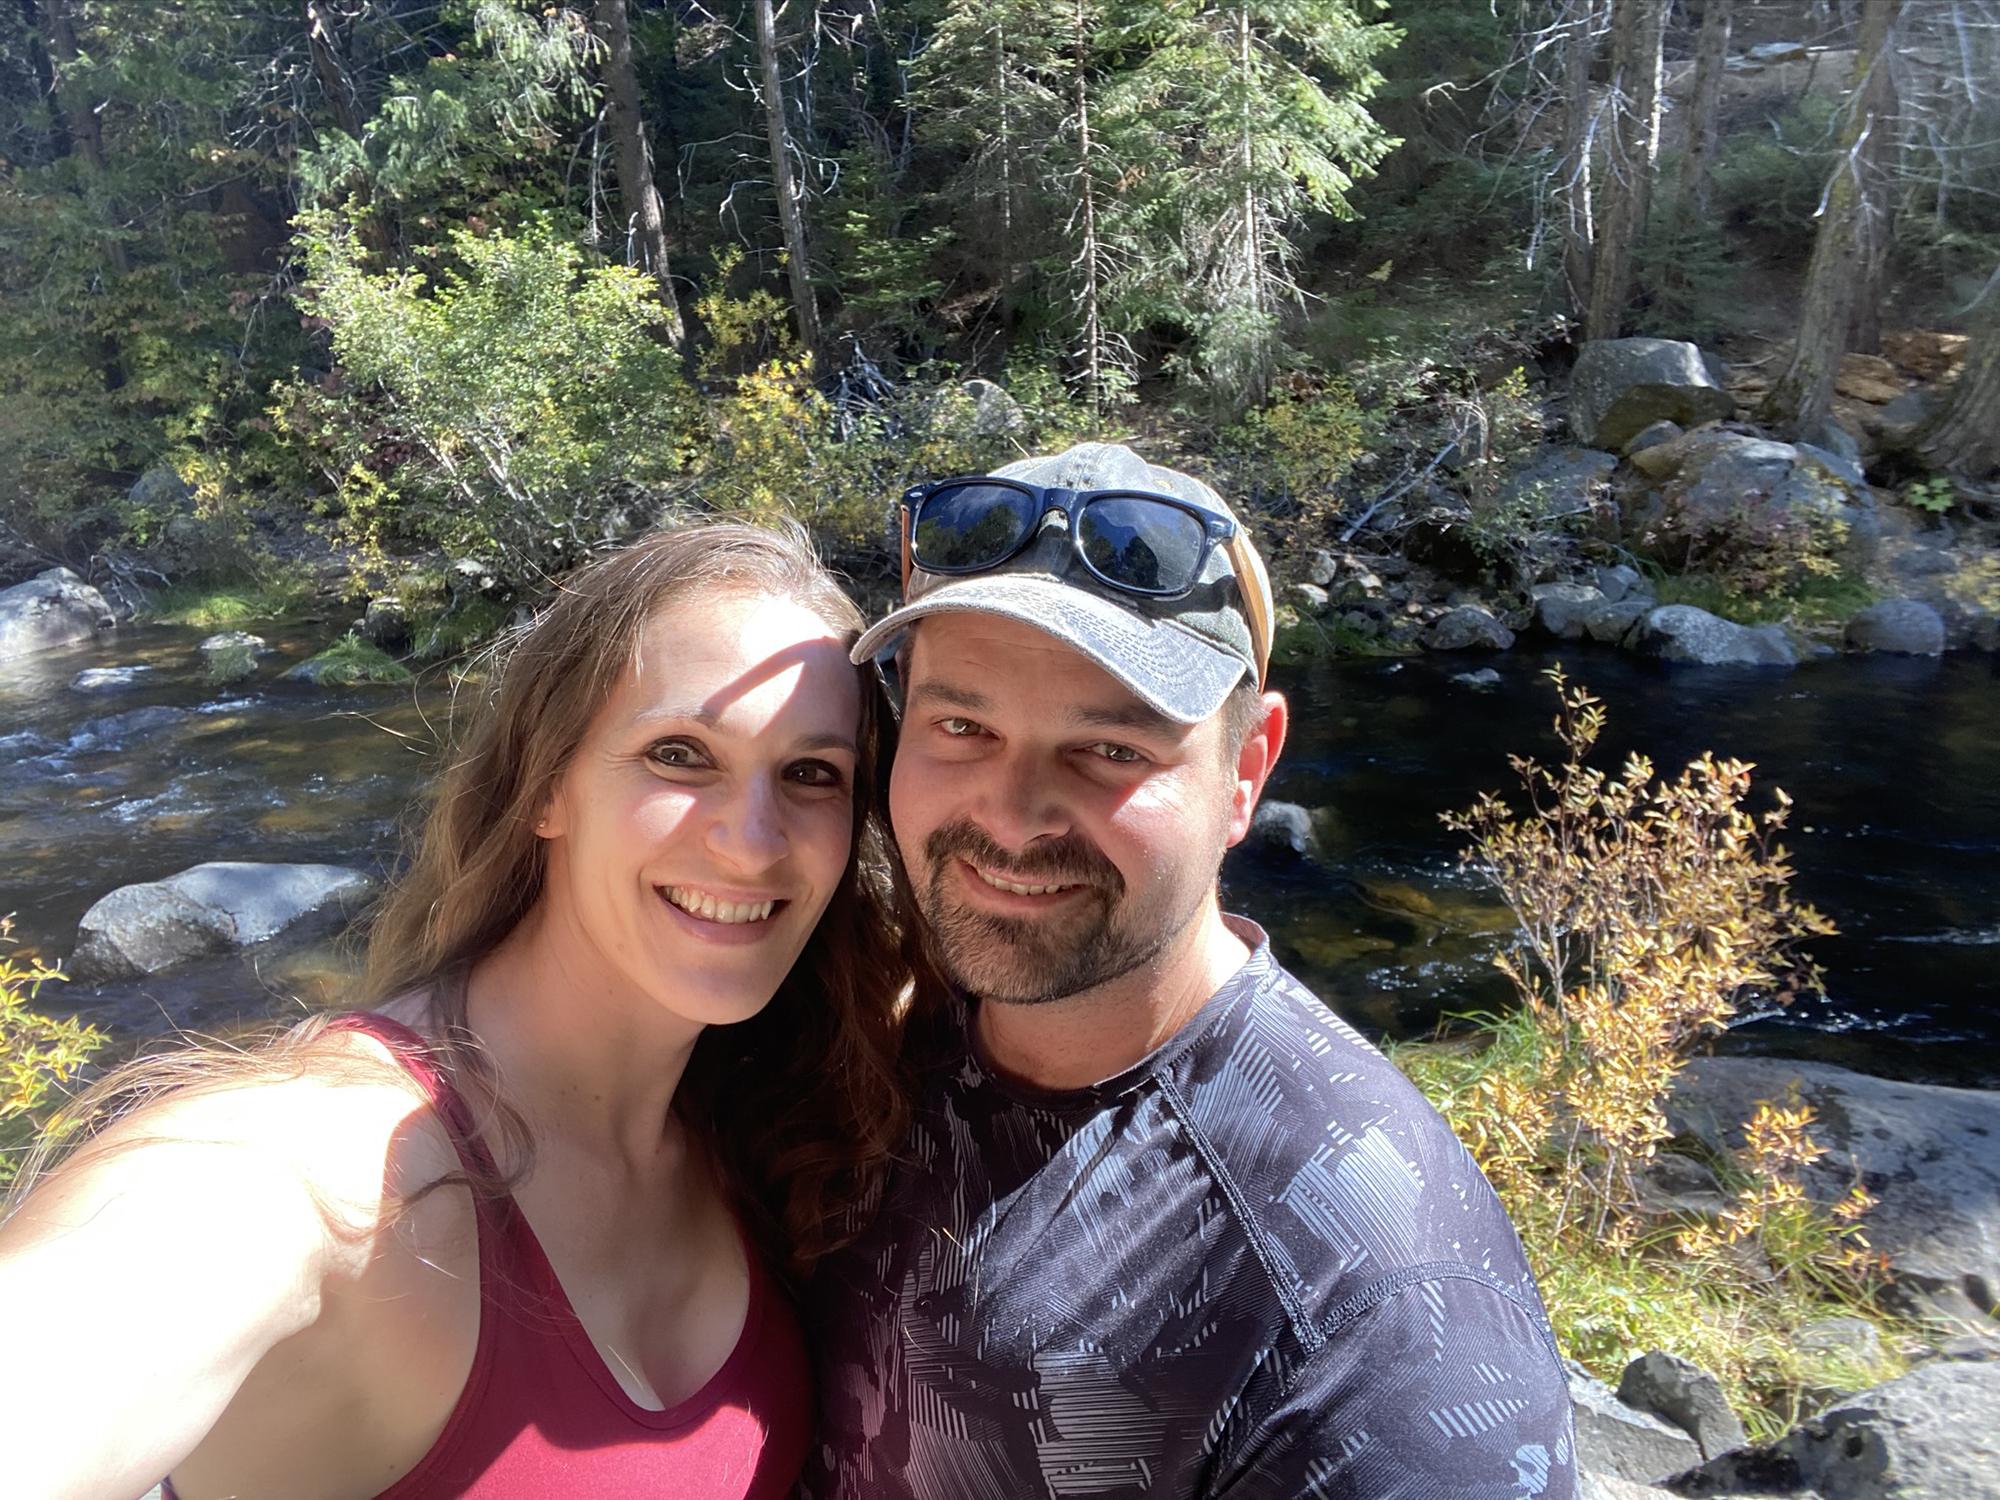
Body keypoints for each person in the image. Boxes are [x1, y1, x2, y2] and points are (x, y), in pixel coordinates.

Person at [0, 523, 907, 1500]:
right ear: (545, 786)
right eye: (680, 755)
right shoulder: (321, 1172)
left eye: (811, 773)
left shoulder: (775, 1098)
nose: (752, 842)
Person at [807, 444, 1578, 1499]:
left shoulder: (1373, 1307)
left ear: (1245, 772)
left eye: (1111, 751)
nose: (1009, 815)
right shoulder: (890, 1027)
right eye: (960, 725)